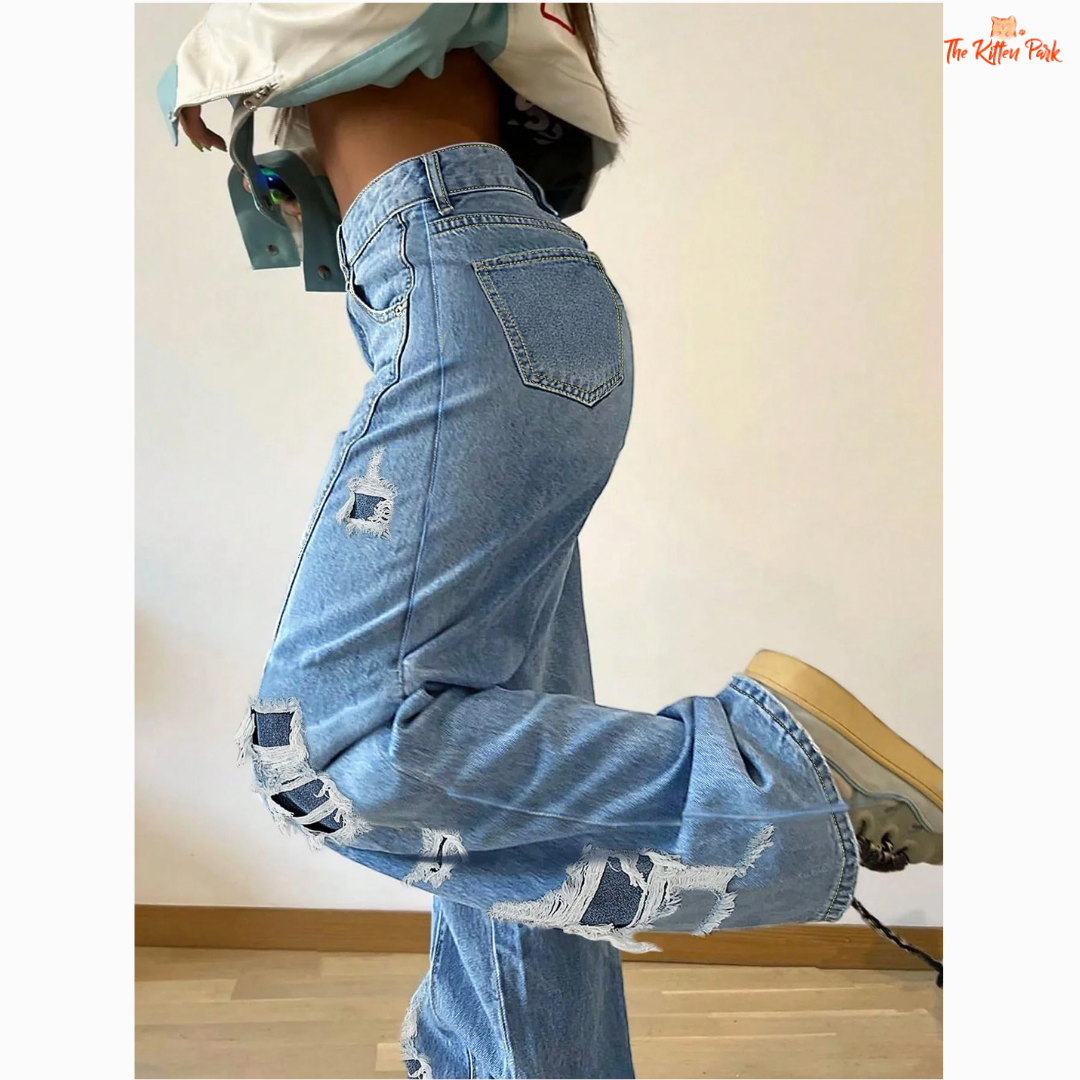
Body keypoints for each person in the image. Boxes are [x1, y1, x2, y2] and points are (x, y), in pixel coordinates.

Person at [159, 6, 943, 1077]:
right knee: (496, 801)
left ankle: (785, 787)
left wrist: (200, 73)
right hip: (483, 278)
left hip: (458, 274)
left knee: (327, 743)